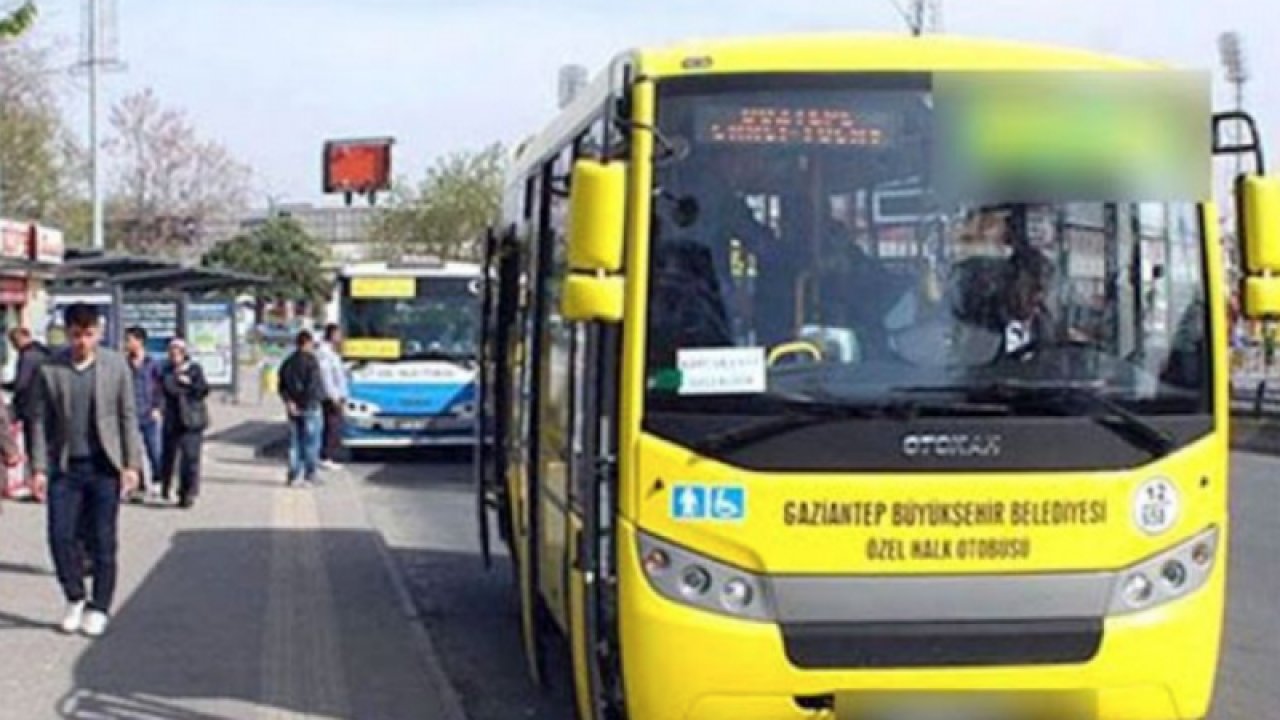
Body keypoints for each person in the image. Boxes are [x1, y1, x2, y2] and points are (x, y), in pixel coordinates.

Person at [29, 303, 143, 638]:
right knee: (60, 536)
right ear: (67, 333)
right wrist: (37, 468)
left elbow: (127, 416)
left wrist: (131, 464)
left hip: (104, 468)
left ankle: (99, 606)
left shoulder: (115, 365)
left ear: (100, 332)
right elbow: (39, 423)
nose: (82, 341)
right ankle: (75, 596)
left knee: (103, 539)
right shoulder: (50, 369)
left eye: (89, 334)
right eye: (76, 334)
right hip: (66, 468)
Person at [159, 339, 209, 508]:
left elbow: (203, 390)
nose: (174, 356)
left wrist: (190, 384)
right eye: (171, 353)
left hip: (192, 420)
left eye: (178, 353)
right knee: (169, 457)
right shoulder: (165, 371)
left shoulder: (195, 370)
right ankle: (167, 487)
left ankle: (188, 492)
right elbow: (168, 388)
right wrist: (180, 384)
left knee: (191, 458)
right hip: (172, 420)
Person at [278, 330, 325, 487]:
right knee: (311, 442)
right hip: (310, 407)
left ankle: (293, 475)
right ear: (307, 343)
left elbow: (282, 386)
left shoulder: (288, 362)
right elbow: (312, 386)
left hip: (292, 408)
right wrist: (305, 403)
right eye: (312, 343)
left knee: (294, 443)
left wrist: (290, 402)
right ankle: (310, 475)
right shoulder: (311, 362)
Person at [7, 327, 51, 496]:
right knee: (43, 447)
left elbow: (21, 383)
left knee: (34, 447)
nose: (14, 346)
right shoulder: (43, 353)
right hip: (44, 407)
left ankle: (37, 486)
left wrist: (7, 386)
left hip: (29, 408)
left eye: (14, 341)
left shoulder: (28, 356)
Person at [123, 327, 165, 503]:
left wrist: (158, 407)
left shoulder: (152, 364)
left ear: (139, 341)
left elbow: (161, 387)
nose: (126, 344)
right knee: (132, 451)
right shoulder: (123, 363)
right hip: (129, 413)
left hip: (148, 412)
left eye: (129, 340)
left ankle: (158, 480)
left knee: (154, 449)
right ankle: (136, 485)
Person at [315, 323, 348, 471]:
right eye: (338, 334)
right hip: (331, 397)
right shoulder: (324, 353)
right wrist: (334, 397)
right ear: (332, 335)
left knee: (335, 426)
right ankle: (326, 457)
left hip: (336, 395)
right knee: (332, 427)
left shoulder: (332, 352)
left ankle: (328, 456)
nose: (341, 337)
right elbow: (326, 377)